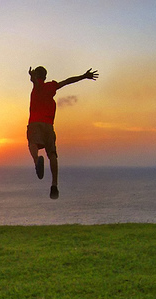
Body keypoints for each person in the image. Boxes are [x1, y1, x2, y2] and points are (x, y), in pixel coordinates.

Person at [27, 66, 98, 199]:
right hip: (49, 126)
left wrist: (31, 76)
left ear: (37, 76)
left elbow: (34, 81)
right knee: (52, 154)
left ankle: (37, 161)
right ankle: (54, 184)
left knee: (33, 143)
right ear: (46, 76)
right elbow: (67, 81)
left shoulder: (38, 87)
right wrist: (84, 76)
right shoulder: (51, 87)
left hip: (35, 123)